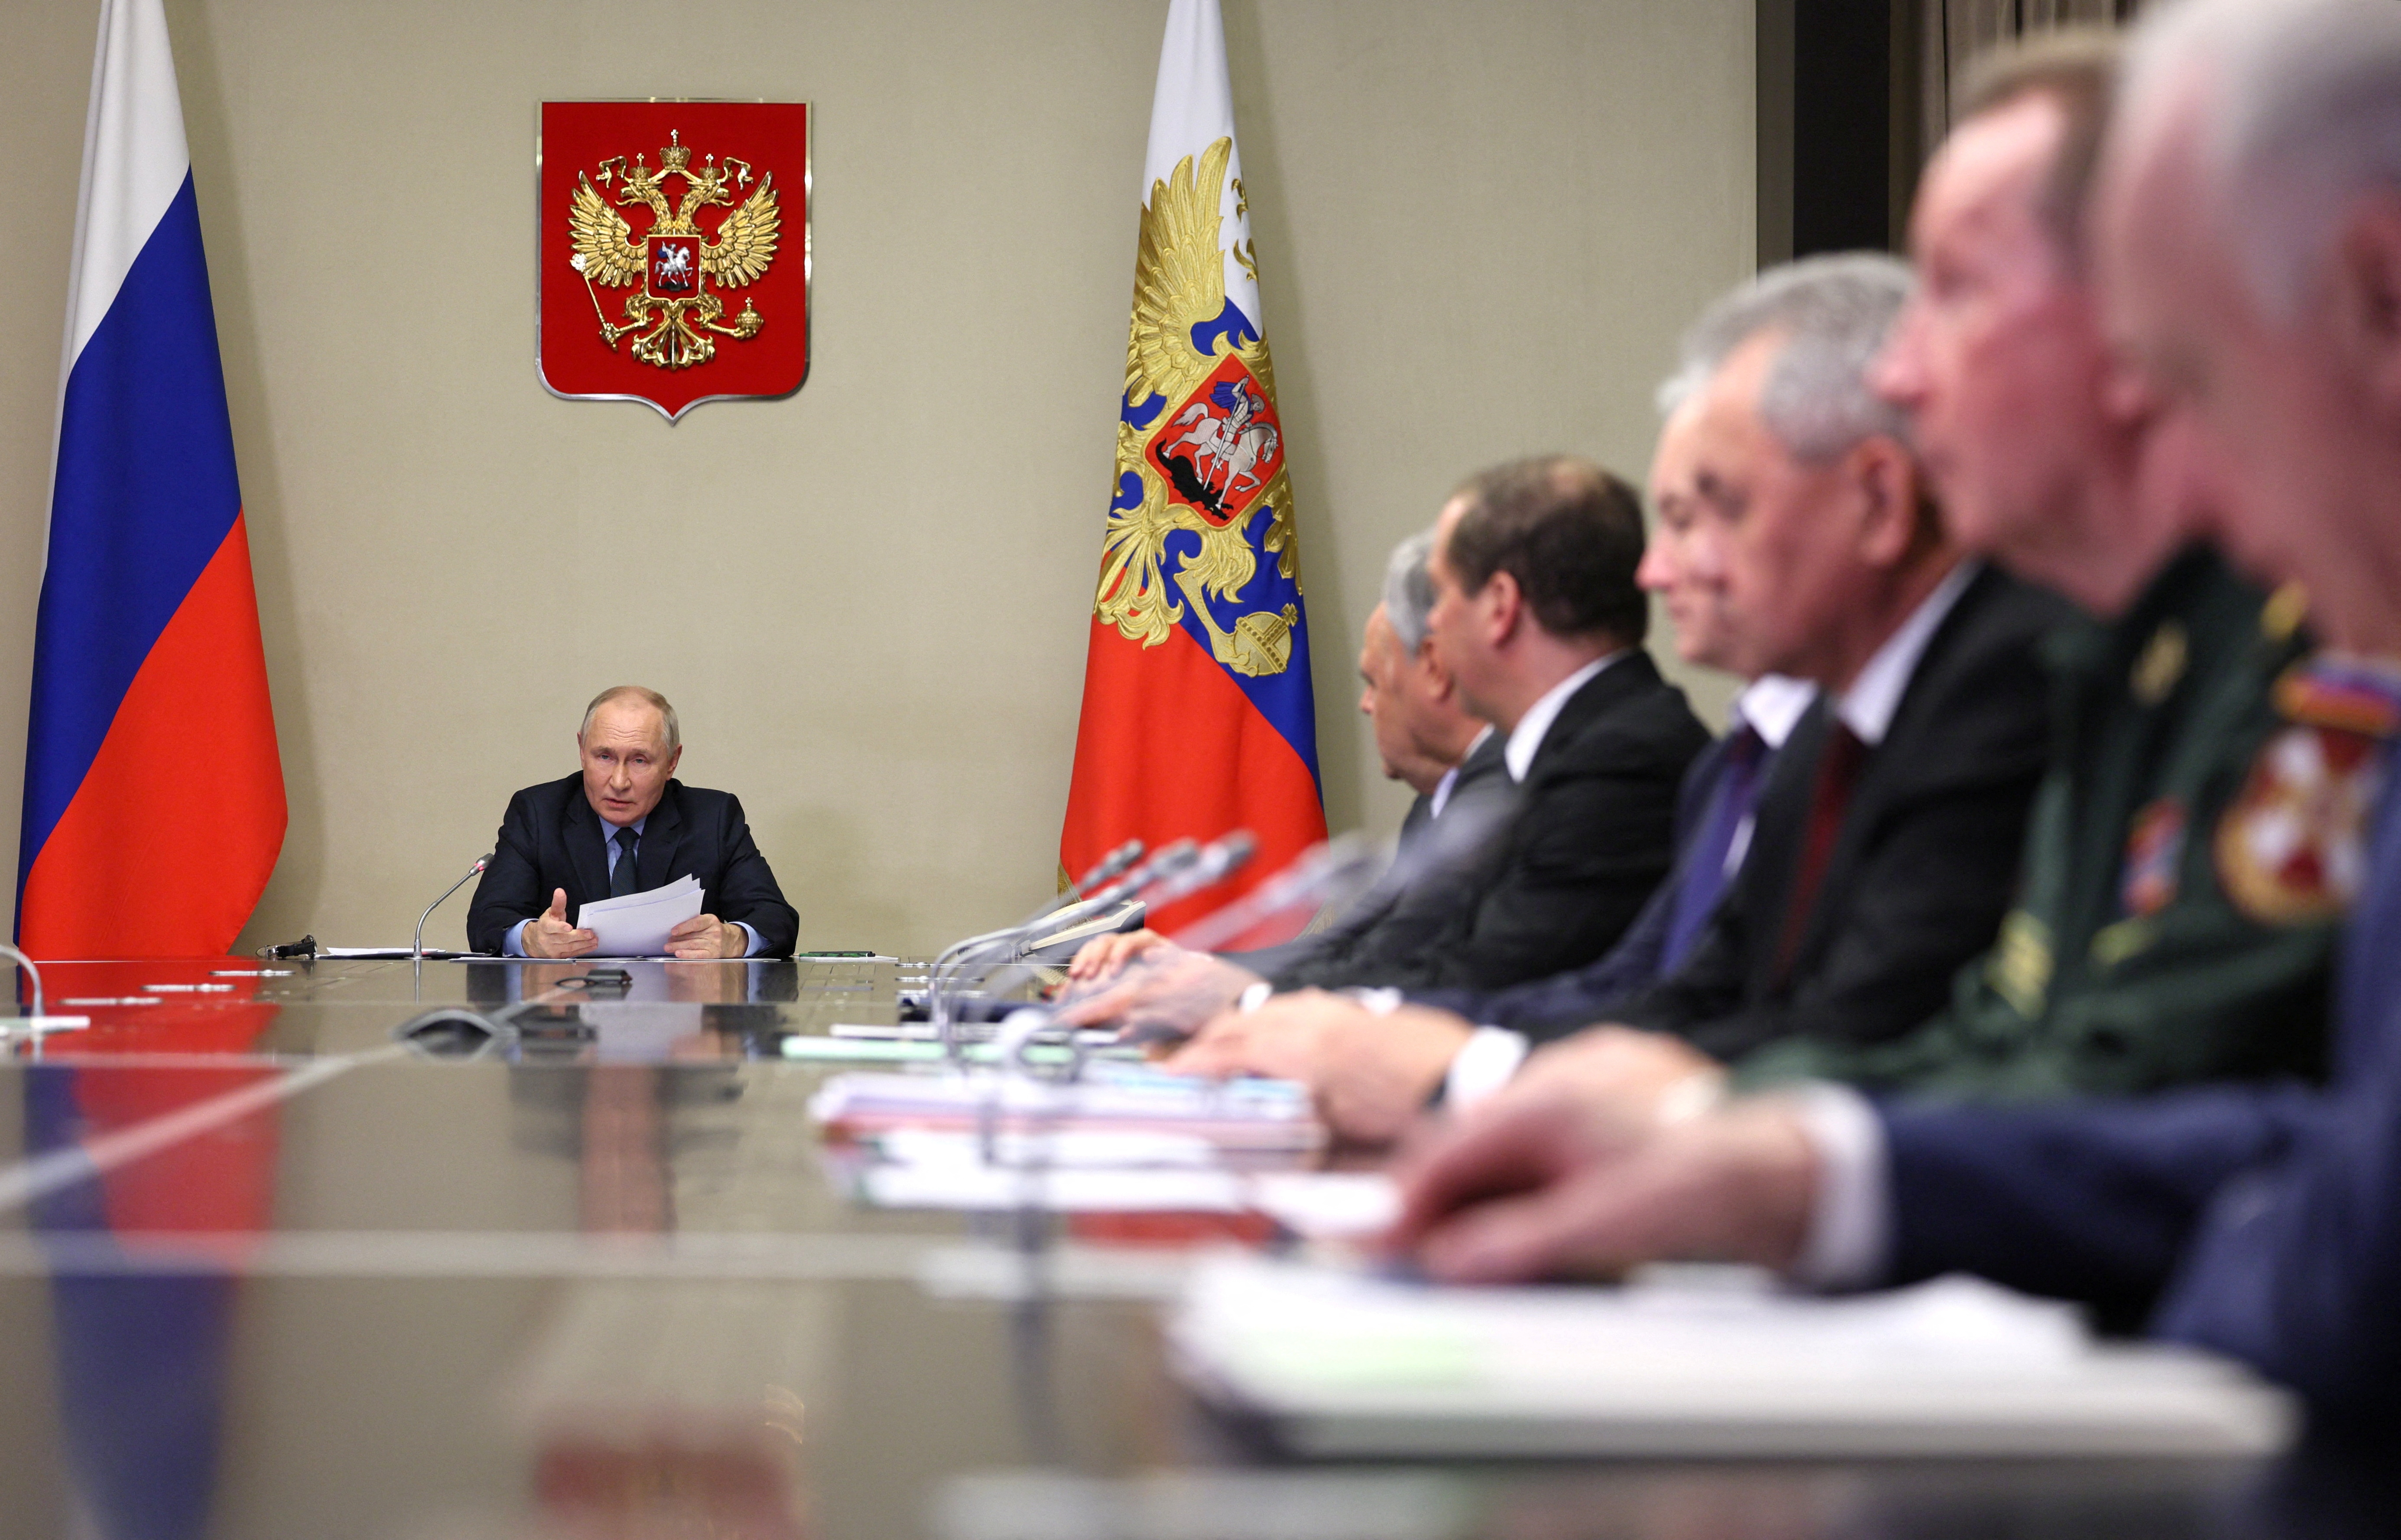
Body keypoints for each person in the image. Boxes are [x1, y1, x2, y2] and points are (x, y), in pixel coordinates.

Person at [1387, 0, 2401, 1423]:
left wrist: (1769, 1150)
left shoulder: (2225, 645)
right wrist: (1782, 1156)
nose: (1907, 377)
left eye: (1958, 290)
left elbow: (2228, 1125)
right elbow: (2057, 1049)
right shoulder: (2106, 655)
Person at [1164, 258, 2065, 1138]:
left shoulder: (1993, 691)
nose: (1656, 569)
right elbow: (1684, 990)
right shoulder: (1806, 740)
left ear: (1876, 499)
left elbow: (1854, 1034)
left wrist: (1458, 1076)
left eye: (1710, 509)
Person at [1061, 457, 1709, 1028]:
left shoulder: (1619, 757)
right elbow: (1398, 953)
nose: (1432, 628)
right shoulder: (1571, 745)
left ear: (1500, 607)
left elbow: (1484, 973)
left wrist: (1245, 1003)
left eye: (1444, 596)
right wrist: (1214, 981)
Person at [465, 686, 799, 959]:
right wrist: (528, 939)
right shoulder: (538, 812)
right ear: (582, 750)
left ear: (672, 762)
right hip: (567, 1020)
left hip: (682, 1021)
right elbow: (488, 919)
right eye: (604, 757)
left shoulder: (713, 817)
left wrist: (735, 939)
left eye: (639, 760)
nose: (619, 781)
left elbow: (775, 918)